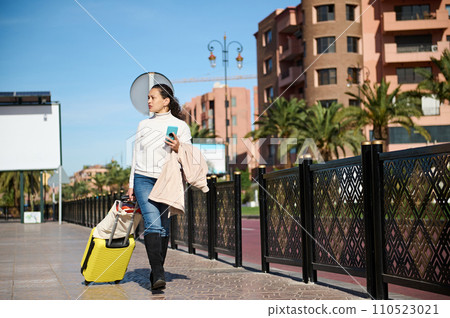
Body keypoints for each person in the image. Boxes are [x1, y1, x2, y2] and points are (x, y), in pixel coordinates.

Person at [127, 83, 192, 290]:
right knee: (153, 224)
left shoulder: (181, 126)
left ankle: (156, 270)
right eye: (148, 97)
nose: (148, 101)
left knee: (163, 228)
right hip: (143, 178)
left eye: (152, 97)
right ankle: (159, 274)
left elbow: (189, 155)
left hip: (167, 179)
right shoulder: (143, 125)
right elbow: (136, 155)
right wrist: (131, 184)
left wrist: (178, 146)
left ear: (166, 101)